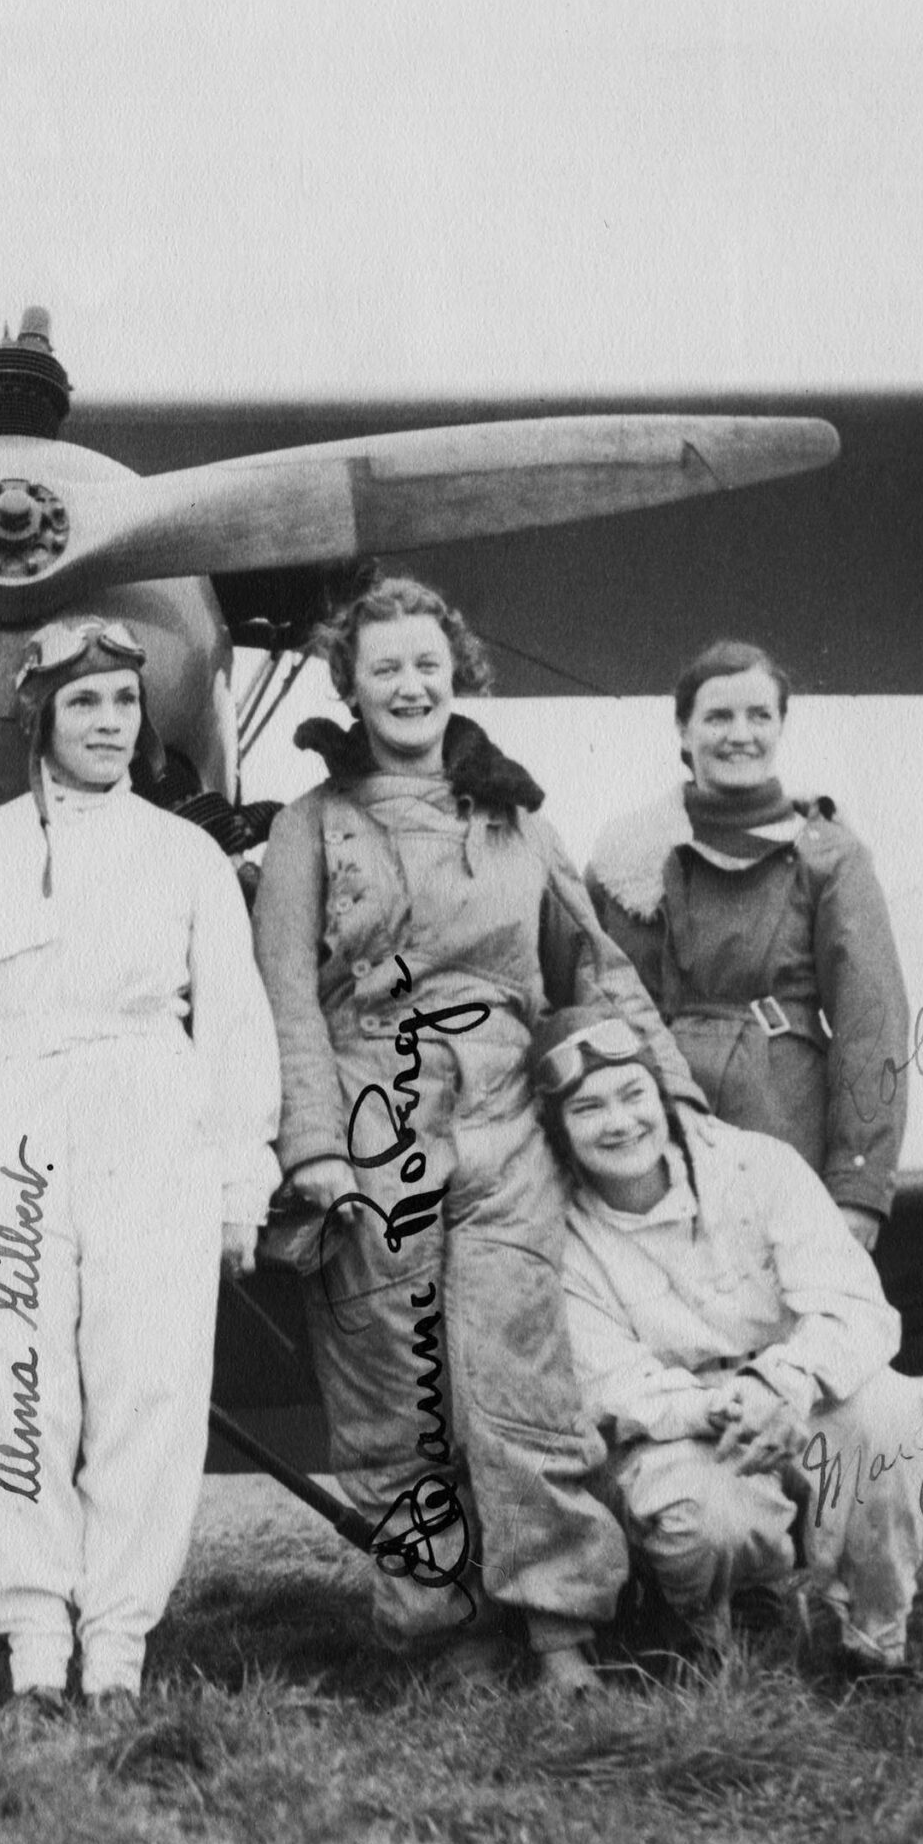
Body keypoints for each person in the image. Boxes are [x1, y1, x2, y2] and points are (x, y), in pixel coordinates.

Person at [250, 568, 699, 1696]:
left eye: (428, 667)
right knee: (389, 1394)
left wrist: (675, 1101)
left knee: (521, 1380)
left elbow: (594, 971)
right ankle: (434, 1632)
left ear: (460, 678)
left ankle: (558, 1628)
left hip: (506, 1126)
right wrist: (312, 1149)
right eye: (384, 667)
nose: (409, 685)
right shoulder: (310, 826)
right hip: (366, 1124)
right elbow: (284, 996)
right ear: (348, 685)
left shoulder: (516, 821)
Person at [0, 615, 281, 1715]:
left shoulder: (184, 854)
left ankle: (115, 1645)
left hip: (151, 1115)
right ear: (40, 716)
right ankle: (31, 1639)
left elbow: (236, 1033)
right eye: (83, 702)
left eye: (123, 703)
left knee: (148, 1379)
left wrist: (237, 1180)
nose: (108, 722)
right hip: (10, 1120)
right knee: (11, 1377)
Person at [530, 1004, 923, 1683]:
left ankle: (874, 1643)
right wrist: (727, 1406)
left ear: (662, 1095)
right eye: (589, 1108)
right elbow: (612, 1384)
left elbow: (856, 1308)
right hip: (681, 1432)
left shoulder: (758, 1163)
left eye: (634, 1094)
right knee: (709, 1518)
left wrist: (780, 1384)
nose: (622, 1121)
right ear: (561, 1132)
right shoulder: (563, 1236)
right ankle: (702, 1628)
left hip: (793, 1397)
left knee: (889, 1408)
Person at [584, 639, 911, 1250]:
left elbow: (873, 1027)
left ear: (781, 726)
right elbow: (586, 1003)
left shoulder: (828, 855)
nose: (740, 734)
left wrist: (857, 1190)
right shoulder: (627, 859)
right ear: (684, 732)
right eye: (718, 717)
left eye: (759, 715)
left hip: (784, 1124)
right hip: (657, 1131)